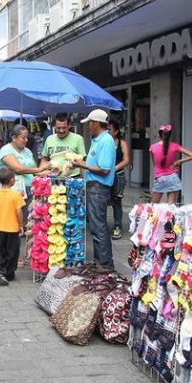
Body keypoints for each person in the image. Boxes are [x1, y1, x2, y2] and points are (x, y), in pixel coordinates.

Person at [72, 109, 116, 270]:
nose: (88, 126)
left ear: (96, 123)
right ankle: (101, 263)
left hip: (99, 189)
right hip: (93, 187)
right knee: (97, 228)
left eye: (90, 123)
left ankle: (105, 265)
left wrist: (81, 164)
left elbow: (104, 169)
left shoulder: (105, 141)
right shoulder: (98, 140)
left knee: (99, 228)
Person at [0, 124, 50, 225]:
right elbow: (18, 168)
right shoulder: (6, 150)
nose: (26, 140)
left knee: (28, 221)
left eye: (27, 137)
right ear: (14, 138)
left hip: (29, 189)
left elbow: (35, 171)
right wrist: (40, 168)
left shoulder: (27, 151)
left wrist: (46, 172)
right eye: (23, 138)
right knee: (13, 221)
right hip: (13, 190)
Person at [149, 124, 192, 204]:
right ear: (169, 136)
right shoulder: (175, 146)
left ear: (158, 135)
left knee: (153, 207)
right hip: (173, 178)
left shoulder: (152, 147)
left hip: (160, 178)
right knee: (171, 208)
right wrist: (178, 162)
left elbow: (155, 164)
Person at [42, 112, 87, 177]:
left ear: (69, 125)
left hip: (73, 179)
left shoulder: (78, 139)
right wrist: (43, 173)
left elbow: (82, 162)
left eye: (64, 128)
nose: (61, 131)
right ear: (54, 126)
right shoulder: (49, 139)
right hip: (54, 178)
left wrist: (83, 180)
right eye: (58, 128)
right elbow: (44, 158)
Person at [108, 119, 131, 239]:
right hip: (104, 175)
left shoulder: (122, 143)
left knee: (116, 202)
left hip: (118, 175)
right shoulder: (103, 142)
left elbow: (126, 160)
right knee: (103, 200)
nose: (107, 132)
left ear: (116, 132)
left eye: (109, 130)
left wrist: (114, 168)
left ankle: (117, 226)